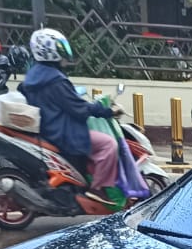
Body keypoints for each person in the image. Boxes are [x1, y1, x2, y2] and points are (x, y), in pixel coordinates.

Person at [19, 27, 119, 192]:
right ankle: (99, 189)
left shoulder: (34, 75)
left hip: (46, 129)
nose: (64, 53)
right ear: (50, 52)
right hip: (63, 132)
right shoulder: (55, 80)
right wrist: (105, 110)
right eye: (59, 49)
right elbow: (78, 109)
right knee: (109, 145)